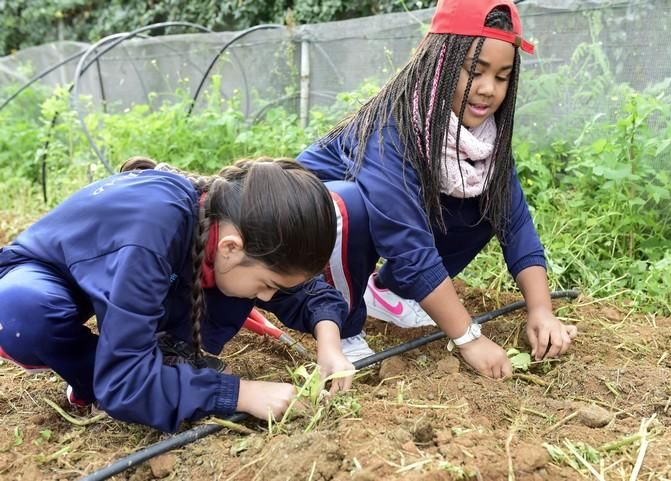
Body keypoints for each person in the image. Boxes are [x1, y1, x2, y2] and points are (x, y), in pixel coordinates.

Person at [298, 0, 577, 377]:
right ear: (439, 63)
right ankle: (341, 325)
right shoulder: (392, 127)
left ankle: (392, 292)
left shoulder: (482, 142)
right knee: (350, 205)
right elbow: (406, 242)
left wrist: (541, 309)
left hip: (367, 238)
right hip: (300, 244)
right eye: (474, 72)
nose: (487, 89)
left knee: (483, 196)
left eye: (502, 76)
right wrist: (468, 338)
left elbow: (515, 220)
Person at [0, 157, 354, 433]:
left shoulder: (234, 222)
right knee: (23, 314)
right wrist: (241, 394)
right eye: (268, 285)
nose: (266, 297)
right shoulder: (155, 234)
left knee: (229, 292)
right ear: (231, 247)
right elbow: (125, 382)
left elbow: (302, 291)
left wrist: (330, 346)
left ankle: (163, 363)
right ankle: (89, 378)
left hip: (128, 273)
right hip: (52, 272)